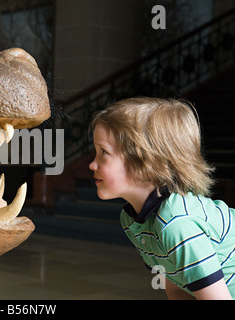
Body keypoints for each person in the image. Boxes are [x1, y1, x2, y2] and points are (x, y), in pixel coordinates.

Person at [88, 97, 235, 300]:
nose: (92, 164)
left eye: (103, 152)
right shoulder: (132, 220)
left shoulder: (177, 223)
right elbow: (176, 284)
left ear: (147, 162)